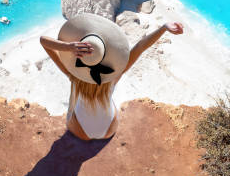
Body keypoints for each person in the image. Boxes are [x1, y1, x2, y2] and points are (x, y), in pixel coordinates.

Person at [39, 12, 183, 141]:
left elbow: (43, 41)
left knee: (72, 106)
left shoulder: (73, 76)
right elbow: (140, 47)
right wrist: (164, 28)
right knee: (110, 102)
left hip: (80, 131)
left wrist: (68, 47)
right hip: (109, 129)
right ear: (107, 55)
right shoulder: (113, 76)